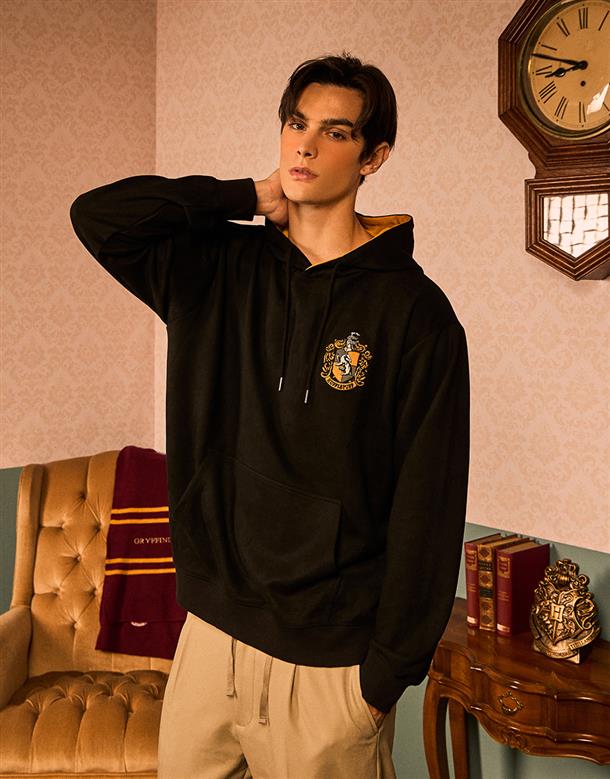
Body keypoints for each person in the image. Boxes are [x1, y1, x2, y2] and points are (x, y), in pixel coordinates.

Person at [69, 50, 470, 779]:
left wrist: (381, 680)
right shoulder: (217, 267)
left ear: (374, 157)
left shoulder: (417, 314)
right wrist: (248, 194)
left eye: (335, 132)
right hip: (210, 638)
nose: (306, 146)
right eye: (296, 123)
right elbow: (99, 216)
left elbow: (430, 505)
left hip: (329, 666)